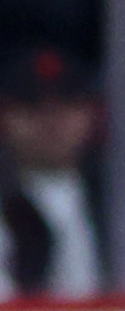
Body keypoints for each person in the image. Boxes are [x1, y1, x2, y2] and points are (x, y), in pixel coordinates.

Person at [2, 42, 105, 298]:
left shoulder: (119, 202)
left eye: (68, 103)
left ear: (93, 114)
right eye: (32, 105)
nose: (51, 120)